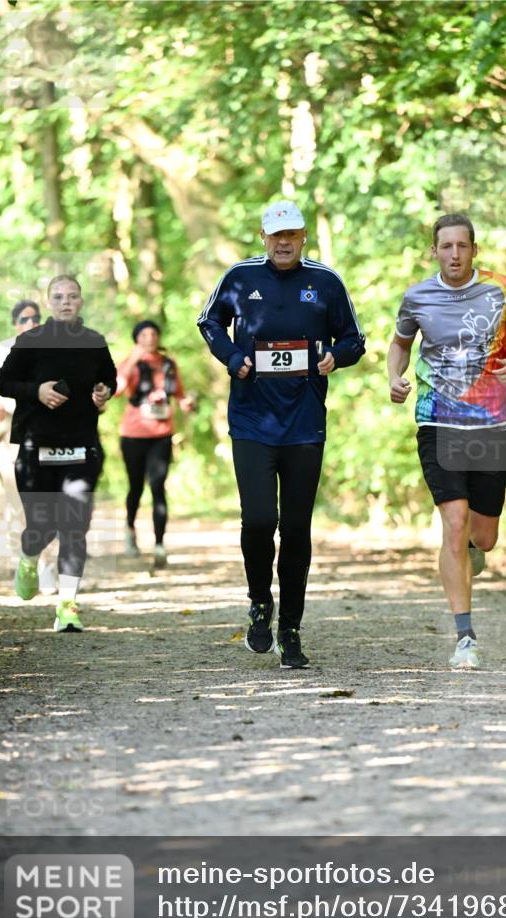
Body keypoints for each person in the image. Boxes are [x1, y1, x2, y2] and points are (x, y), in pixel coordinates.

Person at [198, 199, 365, 668]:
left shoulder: (325, 281)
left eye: (292, 234)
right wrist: (234, 359)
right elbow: (208, 322)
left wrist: (337, 355)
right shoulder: (240, 277)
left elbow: (355, 339)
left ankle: (290, 626)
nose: (284, 242)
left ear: (303, 236)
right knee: (257, 521)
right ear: (263, 237)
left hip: (304, 424)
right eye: (276, 236)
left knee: (295, 529)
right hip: (251, 420)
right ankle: (259, 602)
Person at [387, 213, 506, 669]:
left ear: (474, 251)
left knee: (484, 536)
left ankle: (475, 551)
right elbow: (399, 343)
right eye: (446, 246)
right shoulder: (417, 296)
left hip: (491, 423)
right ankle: (465, 637)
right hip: (438, 420)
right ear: (434, 251)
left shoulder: (502, 289)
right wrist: (394, 377)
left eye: (462, 246)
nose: (454, 254)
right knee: (453, 522)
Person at [0, 275, 116, 633]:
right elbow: (4, 383)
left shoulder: (94, 341)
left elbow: (110, 378)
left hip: (81, 445)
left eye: (73, 296)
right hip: (37, 445)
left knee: (75, 527)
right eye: (59, 296)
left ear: (81, 301)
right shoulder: (31, 341)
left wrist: (102, 392)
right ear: (49, 303)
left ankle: (67, 607)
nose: (66, 301)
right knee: (42, 526)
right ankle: (29, 558)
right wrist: (37, 390)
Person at [0, 300, 58, 593]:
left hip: (47, 432)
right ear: (15, 323)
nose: (30, 323)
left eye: (35, 318)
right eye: (23, 318)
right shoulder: (1, 350)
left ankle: (47, 564)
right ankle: (25, 560)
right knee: (18, 500)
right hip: (11, 433)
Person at [116, 320, 194, 568]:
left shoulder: (169, 364)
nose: (149, 338)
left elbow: (180, 394)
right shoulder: (129, 362)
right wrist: (132, 360)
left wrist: (186, 403)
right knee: (135, 486)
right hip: (133, 434)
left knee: (158, 485)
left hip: (162, 433)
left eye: (153, 333)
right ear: (136, 338)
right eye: (144, 334)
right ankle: (130, 530)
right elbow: (116, 389)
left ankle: (159, 544)